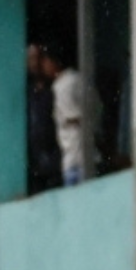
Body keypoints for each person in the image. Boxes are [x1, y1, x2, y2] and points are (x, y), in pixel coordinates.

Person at [44, 46, 84, 187]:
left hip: (74, 155)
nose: (44, 66)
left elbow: (73, 118)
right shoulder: (78, 79)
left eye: (46, 61)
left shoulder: (63, 85)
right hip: (81, 153)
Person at [27, 44, 62, 194]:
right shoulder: (25, 91)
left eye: (38, 58)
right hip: (34, 162)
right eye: (31, 59)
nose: (35, 63)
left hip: (54, 158)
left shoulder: (55, 88)